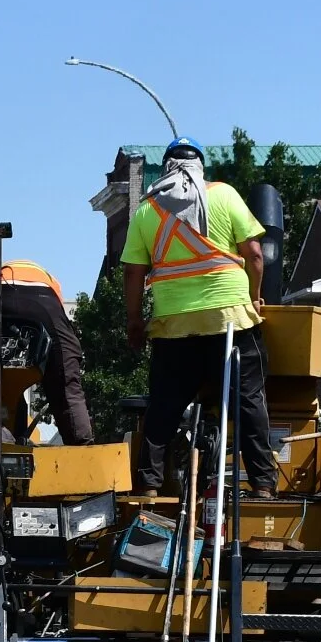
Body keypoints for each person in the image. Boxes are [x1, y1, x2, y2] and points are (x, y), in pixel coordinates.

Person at [120, 138, 277, 492]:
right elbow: (254, 253)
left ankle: (149, 486)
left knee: (163, 408)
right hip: (231, 320)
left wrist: (134, 321)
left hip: (174, 326)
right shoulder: (224, 195)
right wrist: (253, 297)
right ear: (200, 167)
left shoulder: (147, 211)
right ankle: (264, 484)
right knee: (248, 401)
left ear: (166, 169)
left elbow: (133, 273)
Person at [0, 260, 94, 447]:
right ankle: (83, 448)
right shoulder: (51, 281)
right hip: (47, 304)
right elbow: (58, 320)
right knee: (66, 387)